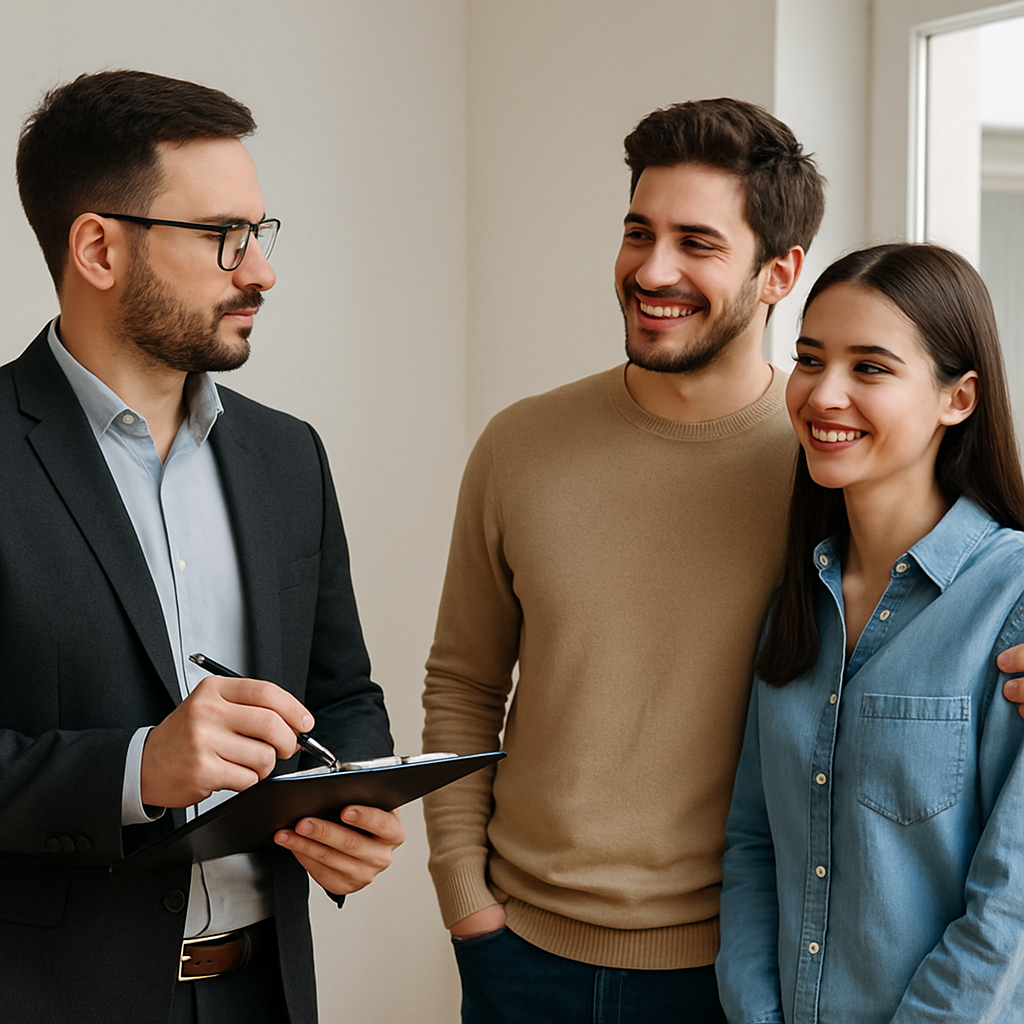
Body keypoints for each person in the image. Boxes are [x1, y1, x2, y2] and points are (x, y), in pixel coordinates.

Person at [1, 70, 404, 1024]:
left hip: (265, 993)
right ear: (97, 247)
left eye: (261, 234)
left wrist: (350, 804)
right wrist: (138, 769)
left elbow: (342, 695)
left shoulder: (287, 455)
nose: (260, 270)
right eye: (224, 237)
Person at [421, 98, 825, 1022]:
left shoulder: (823, 470)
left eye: (697, 242)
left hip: (734, 970)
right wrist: (465, 899)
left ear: (780, 272)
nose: (653, 269)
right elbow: (464, 684)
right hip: (519, 953)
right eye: (638, 231)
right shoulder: (520, 445)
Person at [717, 243, 1024, 1023]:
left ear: (959, 398)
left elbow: (1010, 905)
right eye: (810, 359)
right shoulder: (796, 602)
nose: (825, 395)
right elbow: (756, 845)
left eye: (872, 368)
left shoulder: (1012, 600)